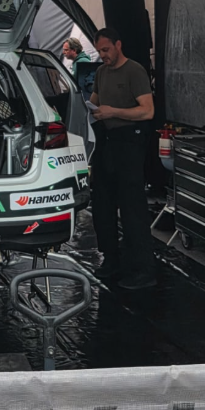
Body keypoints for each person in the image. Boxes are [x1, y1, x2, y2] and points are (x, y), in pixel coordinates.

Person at [89, 27, 156, 290]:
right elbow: (94, 102)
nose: (103, 55)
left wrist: (113, 112)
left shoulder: (134, 71)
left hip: (130, 140)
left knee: (132, 207)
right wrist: (91, 110)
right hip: (107, 141)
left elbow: (147, 111)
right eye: (99, 51)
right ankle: (111, 259)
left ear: (118, 45)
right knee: (102, 203)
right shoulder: (101, 72)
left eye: (106, 50)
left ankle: (143, 269)